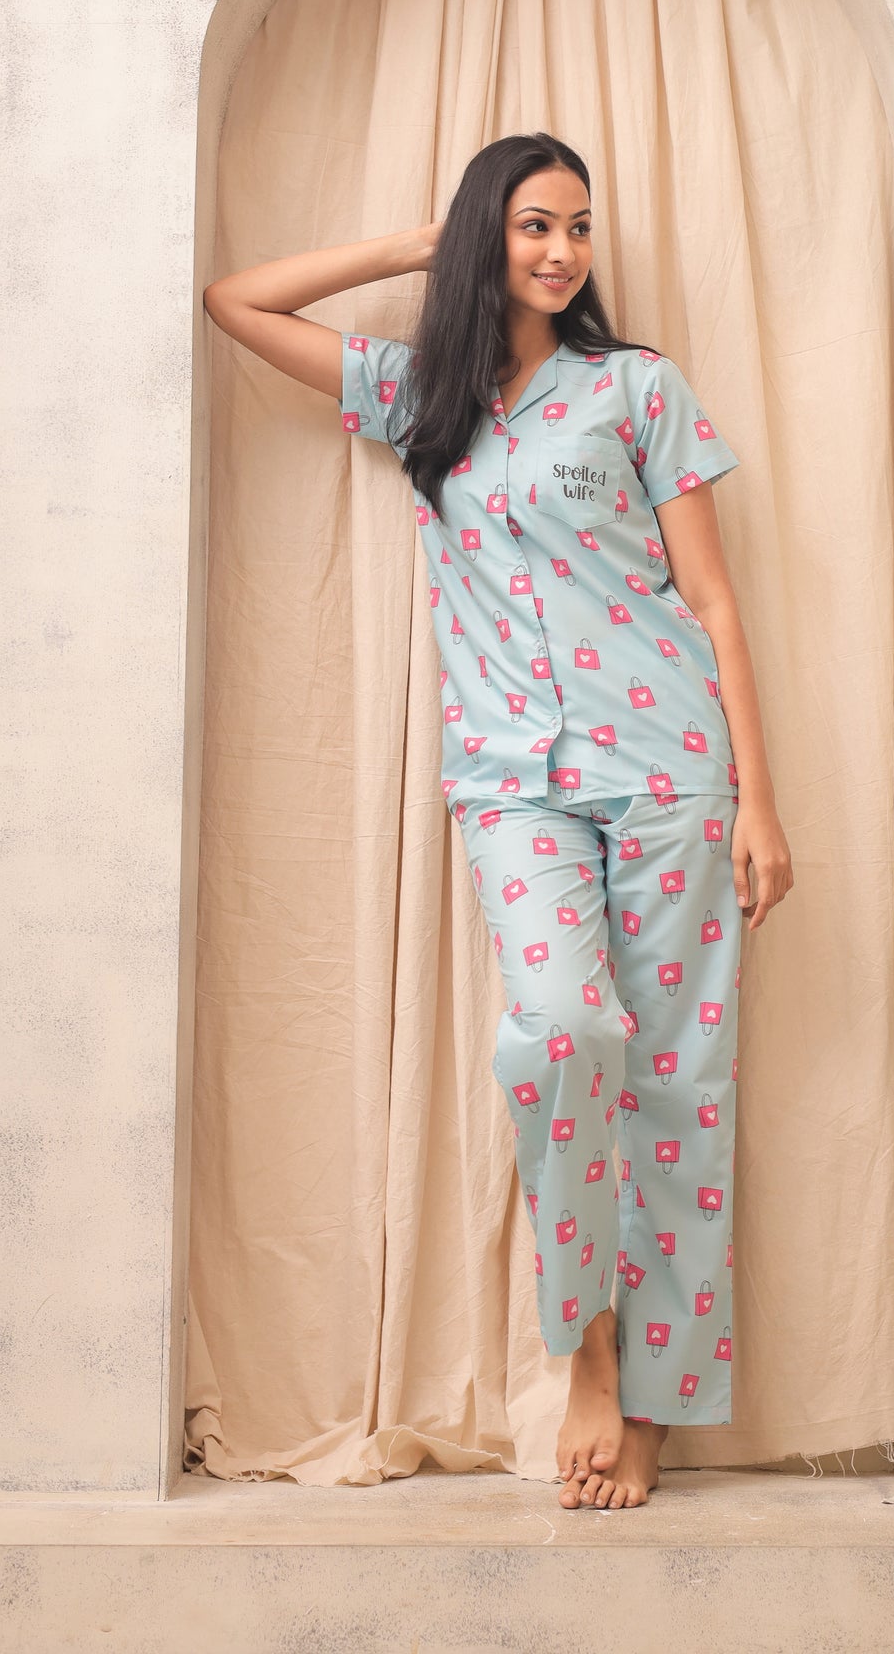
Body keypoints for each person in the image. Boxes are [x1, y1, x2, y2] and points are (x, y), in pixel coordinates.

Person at [203, 130, 793, 1510]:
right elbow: (237, 302)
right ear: (491, 233)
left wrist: (760, 801)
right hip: (511, 782)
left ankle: (652, 1408)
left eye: (578, 227)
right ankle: (586, 1345)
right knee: (562, 1033)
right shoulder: (423, 394)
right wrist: (421, 245)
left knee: (677, 1088)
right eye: (534, 225)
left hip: (668, 770)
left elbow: (712, 602)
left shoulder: (635, 388)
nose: (563, 251)